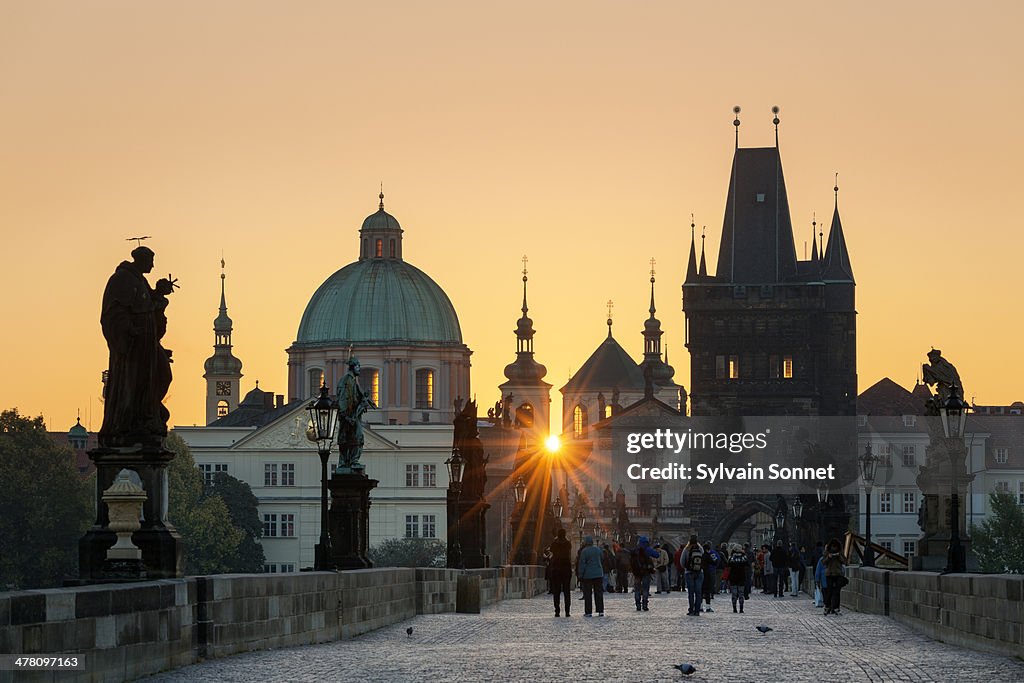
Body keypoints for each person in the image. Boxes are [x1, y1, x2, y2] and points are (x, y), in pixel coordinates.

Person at [99, 246, 176, 449]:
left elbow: (152, 308)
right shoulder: (122, 280)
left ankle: (148, 414)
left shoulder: (140, 282)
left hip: (147, 345)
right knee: (137, 382)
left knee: (162, 375)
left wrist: (159, 294)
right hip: (133, 347)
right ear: (141, 260)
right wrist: (129, 331)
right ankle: (136, 420)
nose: (153, 265)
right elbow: (112, 312)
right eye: (151, 261)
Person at [336, 356, 377, 468]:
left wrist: (366, 399)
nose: (359, 368)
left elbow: (358, 396)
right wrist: (346, 416)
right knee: (351, 438)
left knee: (355, 438)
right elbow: (343, 399)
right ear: (352, 367)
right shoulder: (346, 381)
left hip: (354, 415)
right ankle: (348, 461)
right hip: (349, 416)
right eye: (358, 366)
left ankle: (351, 461)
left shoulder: (353, 381)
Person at [577, 535, 605, 617]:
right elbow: (602, 558)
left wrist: (580, 574)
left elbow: (582, 564)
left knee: (588, 594)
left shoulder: (584, 551)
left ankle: (588, 612)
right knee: (599, 593)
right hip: (598, 574)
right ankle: (600, 610)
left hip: (588, 575)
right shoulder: (598, 549)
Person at [549, 529, 572, 617]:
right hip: (566, 569)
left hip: (556, 569)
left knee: (556, 592)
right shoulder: (568, 543)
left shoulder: (554, 543)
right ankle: (567, 611)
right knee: (566, 592)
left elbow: (551, 551)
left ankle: (557, 611)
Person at [631, 536, 658, 611]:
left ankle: (638, 605)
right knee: (645, 589)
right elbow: (657, 555)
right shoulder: (648, 549)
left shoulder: (635, 550)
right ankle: (645, 605)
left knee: (637, 589)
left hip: (637, 572)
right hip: (646, 571)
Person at [680, 535, 704, 616]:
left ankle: (691, 610)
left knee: (691, 593)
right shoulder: (700, 549)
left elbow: (682, 561)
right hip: (699, 572)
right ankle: (697, 611)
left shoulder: (686, 549)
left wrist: (687, 568)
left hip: (689, 572)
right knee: (698, 592)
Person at [822, 538, 846, 615]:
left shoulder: (840, 551)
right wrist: (829, 557)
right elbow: (823, 562)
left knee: (836, 591)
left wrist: (839, 556)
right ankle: (829, 606)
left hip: (838, 574)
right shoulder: (827, 551)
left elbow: (845, 561)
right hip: (829, 574)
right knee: (829, 591)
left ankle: (834, 607)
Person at [726, 543, 749, 613]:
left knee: (734, 594)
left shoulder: (731, 557)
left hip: (733, 577)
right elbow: (747, 564)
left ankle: (734, 608)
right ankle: (741, 608)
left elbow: (728, 564)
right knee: (741, 593)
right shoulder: (743, 557)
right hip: (741, 577)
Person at [701, 541, 718, 612]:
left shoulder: (701, 555)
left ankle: (700, 607)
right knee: (708, 591)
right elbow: (715, 562)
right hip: (707, 574)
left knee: (700, 592)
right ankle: (708, 607)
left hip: (700, 574)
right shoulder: (708, 555)